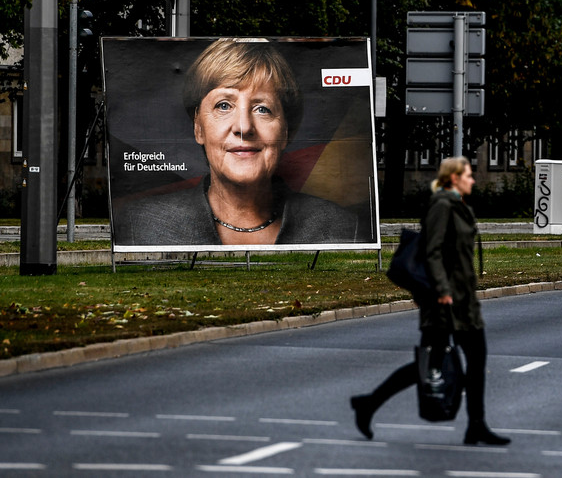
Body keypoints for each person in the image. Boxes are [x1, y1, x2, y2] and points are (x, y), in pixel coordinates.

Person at [113, 38, 362, 246]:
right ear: (198, 128)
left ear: (285, 131)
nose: (244, 127)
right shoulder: (142, 224)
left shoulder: (341, 228)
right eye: (224, 105)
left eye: (262, 109)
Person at [350, 157, 510, 446]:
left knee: (474, 360)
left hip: (464, 301)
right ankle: (368, 404)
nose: (473, 180)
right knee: (429, 364)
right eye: (469, 176)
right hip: (444, 301)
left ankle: (476, 425)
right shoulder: (441, 206)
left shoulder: (458, 206)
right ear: (454, 178)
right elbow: (432, 251)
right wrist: (442, 289)